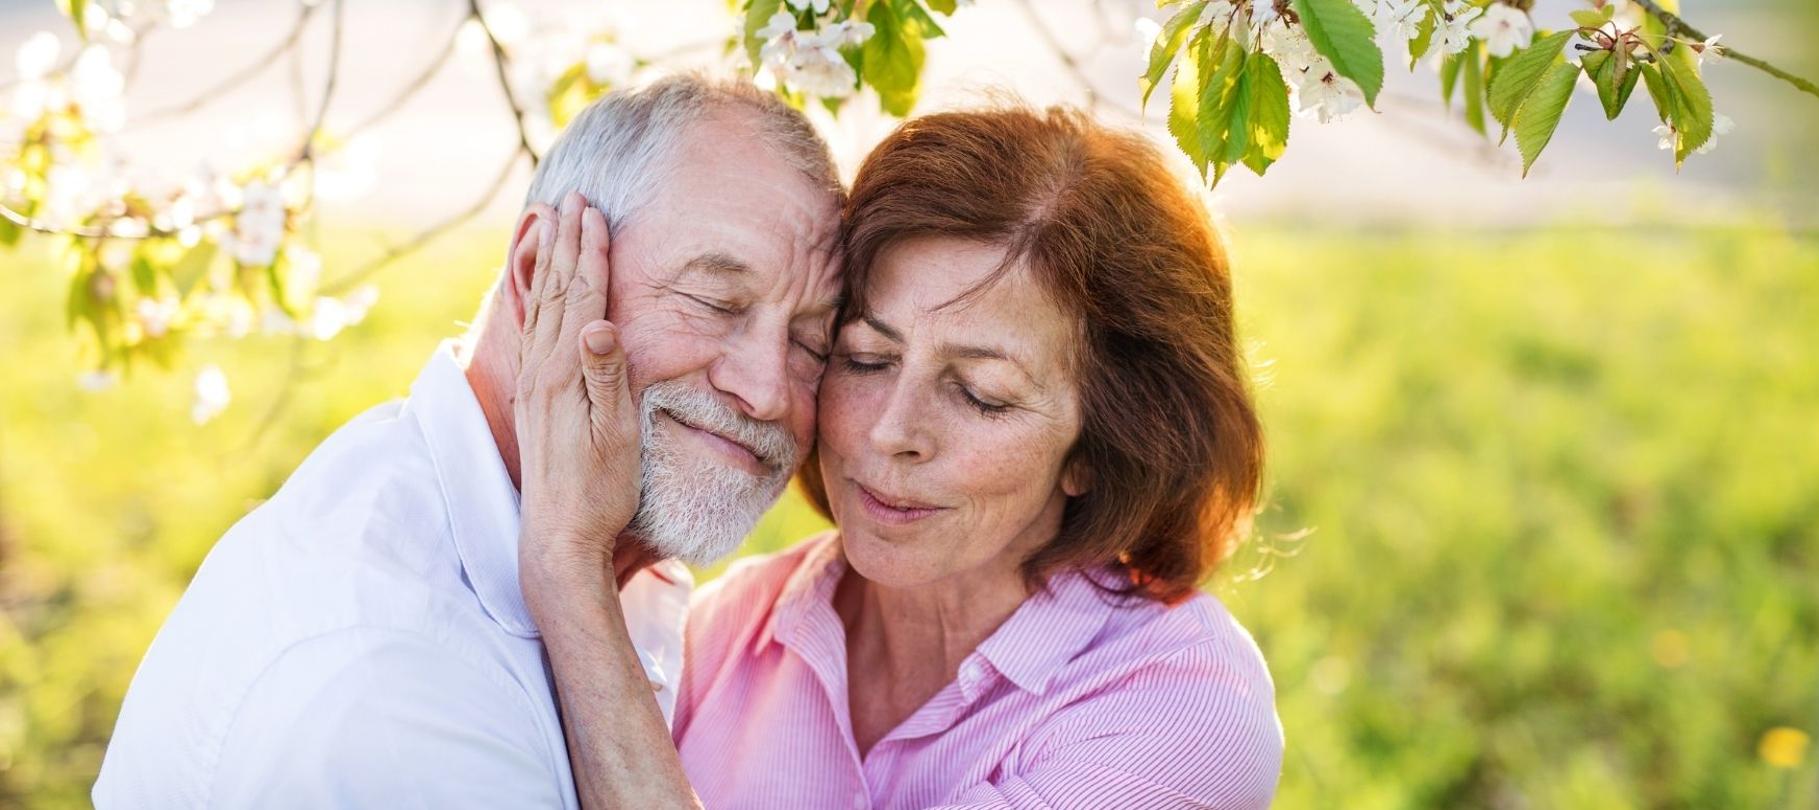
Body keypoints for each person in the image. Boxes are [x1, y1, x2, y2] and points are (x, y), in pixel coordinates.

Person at [92, 74, 844, 809]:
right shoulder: (392, 686)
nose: (769, 391)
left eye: (813, 343)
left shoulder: (606, 561)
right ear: (538, 273)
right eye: (715, 302)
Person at [520, 105, 1284, 809]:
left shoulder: (1181, 704)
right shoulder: (729, 630)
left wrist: (569, 568)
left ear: (1099, 448)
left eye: (982, 395)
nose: (892, 431)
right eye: (865, 358)